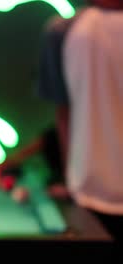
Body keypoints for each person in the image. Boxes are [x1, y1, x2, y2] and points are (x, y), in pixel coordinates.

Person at [40, 0, 123, 245]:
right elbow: (64, 114)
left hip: (86, 191)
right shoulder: (63, 30)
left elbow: (63, 113)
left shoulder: (63, 29)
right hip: (87, 195)